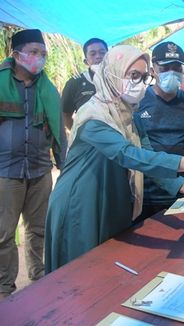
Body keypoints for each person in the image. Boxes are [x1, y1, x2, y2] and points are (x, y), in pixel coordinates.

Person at [44, 45, 184, 273]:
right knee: (79, 272)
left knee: (108, 268)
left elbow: (147, 154)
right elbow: (128, 155)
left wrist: (181, 184)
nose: (139, 83)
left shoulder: (130, 115)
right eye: (133, 76)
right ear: (112, 74)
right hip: (81, 200)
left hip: (111, 197)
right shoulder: (94, 116)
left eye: (143, 77)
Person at [0, 29, 67, 299]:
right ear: (16, 55)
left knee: (38, 230)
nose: (38, 58)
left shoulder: (48, 89)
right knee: (4, 235)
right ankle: (5, 289)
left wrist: (65, 164)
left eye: (42, 53)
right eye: (33, 52)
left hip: (40, 170)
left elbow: (59, 131)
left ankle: (38, 279)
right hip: (5, 172)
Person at [133, 42, 184, 220]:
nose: (171, 72)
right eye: (165, 67)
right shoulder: (137, 103)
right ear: (152, 70)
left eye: (177, 67)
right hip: (145, 194)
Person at [61, 38, 108, 130]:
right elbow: (65, 114)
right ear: (86, 61)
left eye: (102, 52)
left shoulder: (119, 80)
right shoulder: (75, 83)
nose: (98, 56)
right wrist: (79, 134)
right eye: (93, 54)